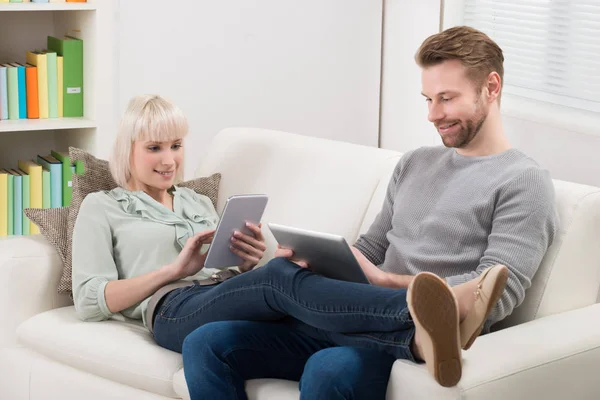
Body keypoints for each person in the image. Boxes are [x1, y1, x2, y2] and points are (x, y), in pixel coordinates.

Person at [176, 25, 558, 399]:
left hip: (398, 343)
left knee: (328, 369)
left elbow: (494, 295)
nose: (433, 114)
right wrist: (329, 263)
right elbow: (373, 247)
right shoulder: (416, 163)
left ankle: (419, 333)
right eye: (428, 99)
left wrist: (386, 282)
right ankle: (407, 326)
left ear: (491, 88)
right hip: (350, 315)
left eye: (447, 98)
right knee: (206, 343)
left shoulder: (524, 181)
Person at [71, 93, 503, 392]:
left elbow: (232, 276)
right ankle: (435, 305)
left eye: (177, 145)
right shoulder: (103, 206)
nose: (169, 160)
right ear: (129, 150)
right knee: (280, 277)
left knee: (282, 275)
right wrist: (173, 270)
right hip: (171, 307)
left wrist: (247, 261)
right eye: (154, 148)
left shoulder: (195, 200)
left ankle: (417, 338)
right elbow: (90, 299)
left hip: (220, 294)